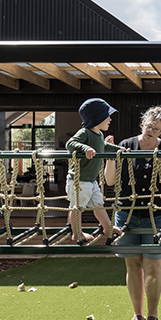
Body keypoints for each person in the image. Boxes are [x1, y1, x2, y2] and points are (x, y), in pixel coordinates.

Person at [105, 106, 161, 320]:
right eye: (148, 126)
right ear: (142, 124)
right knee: (132, 264)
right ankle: (137, 315)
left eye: (156, 129)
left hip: (157, 214)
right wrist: (110, 155)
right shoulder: (126, 145)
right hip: (127, 214)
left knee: (152, 265)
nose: (151, 131)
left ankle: (153, 316)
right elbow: (110, 181)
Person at [65, 98, 123, 244]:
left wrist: (118, 149)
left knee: (98, 204)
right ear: (97, 118)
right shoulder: (85, 132)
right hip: (79, 180)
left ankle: (107, 227)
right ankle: (76, 233)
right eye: (107, 116)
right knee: (77, 207)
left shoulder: (99, 135)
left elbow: (103, 147)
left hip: (91, 180)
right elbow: (70, 144)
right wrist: (85, 148)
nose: (110, 119)